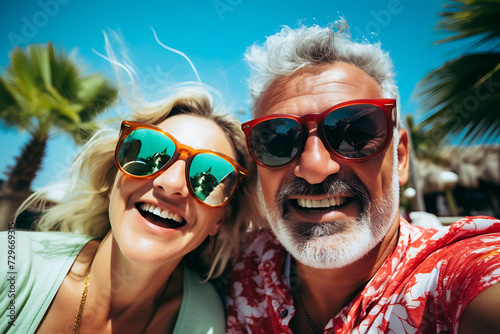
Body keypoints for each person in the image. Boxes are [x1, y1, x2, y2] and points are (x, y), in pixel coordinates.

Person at [226, 20, 500, 333]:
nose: (315, 167)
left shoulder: (456, 274)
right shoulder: (232, 265)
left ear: (400, 158)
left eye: (355, 134)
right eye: (277, 140)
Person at [0, 81, 264, 333]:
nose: (171, 183)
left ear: (220, 219)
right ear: (115, 175)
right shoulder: (10, 264)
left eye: (206, 180)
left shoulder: (205, 320)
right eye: (153, 155)